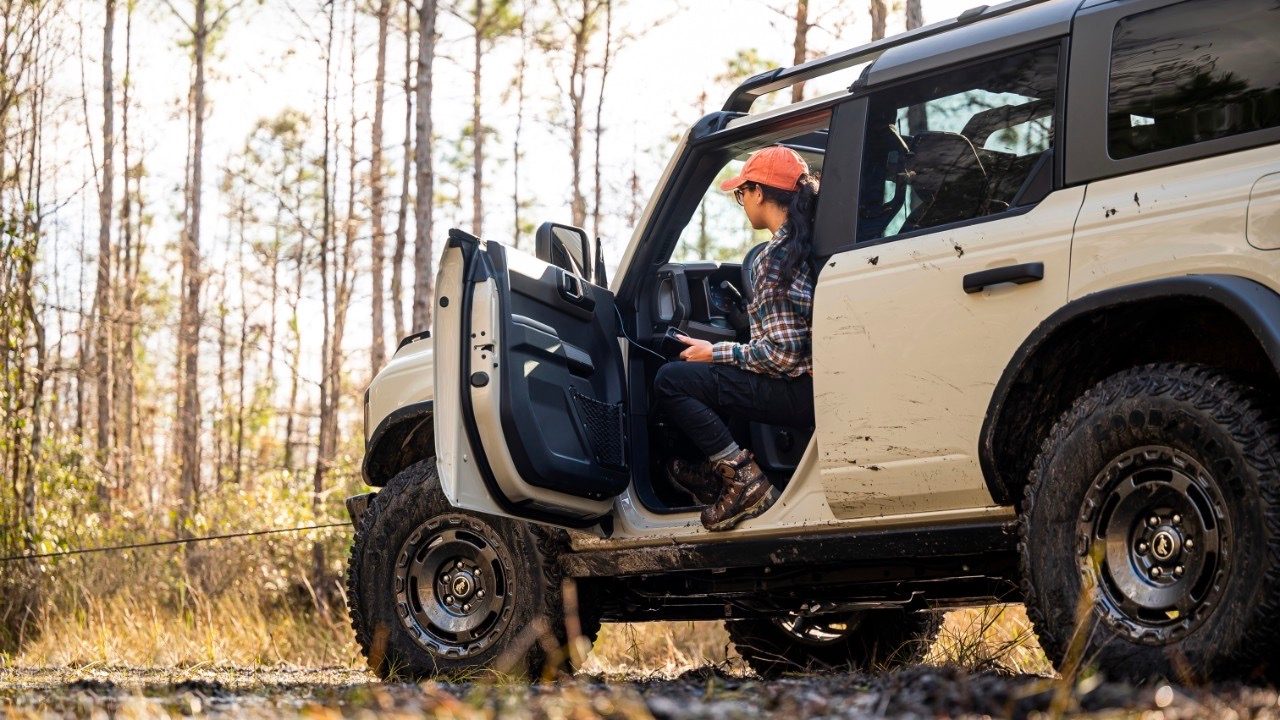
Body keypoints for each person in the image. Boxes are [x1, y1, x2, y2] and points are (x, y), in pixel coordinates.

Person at [653, 145, 818, 531]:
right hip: (819, 385)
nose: (742, 202)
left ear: (759, 192)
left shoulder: (774, 258)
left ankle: (745, 483)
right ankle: (716, 475)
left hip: (803, 391)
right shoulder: (807, 243)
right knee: (727, 379)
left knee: (672, 380)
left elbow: (781, 356)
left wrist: (715, 352)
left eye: (742, 193)